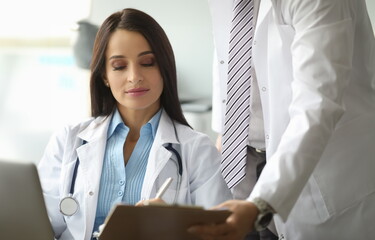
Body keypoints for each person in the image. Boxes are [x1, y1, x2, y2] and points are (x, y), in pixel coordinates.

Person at [37, 8, 232, 240]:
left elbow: (220, 234)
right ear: (104, 77)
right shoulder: (67, 141)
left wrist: (170, 229)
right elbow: (40, 227)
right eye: (119, 66)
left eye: (148, 62)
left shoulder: (197, 150)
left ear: (164, 68)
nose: (134, 76)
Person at [188, 0, 375, 239]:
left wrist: (262, 203)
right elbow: (227, 50)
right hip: (243, 162)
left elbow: (317, 104)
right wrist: (225, 132)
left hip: (318, 169)